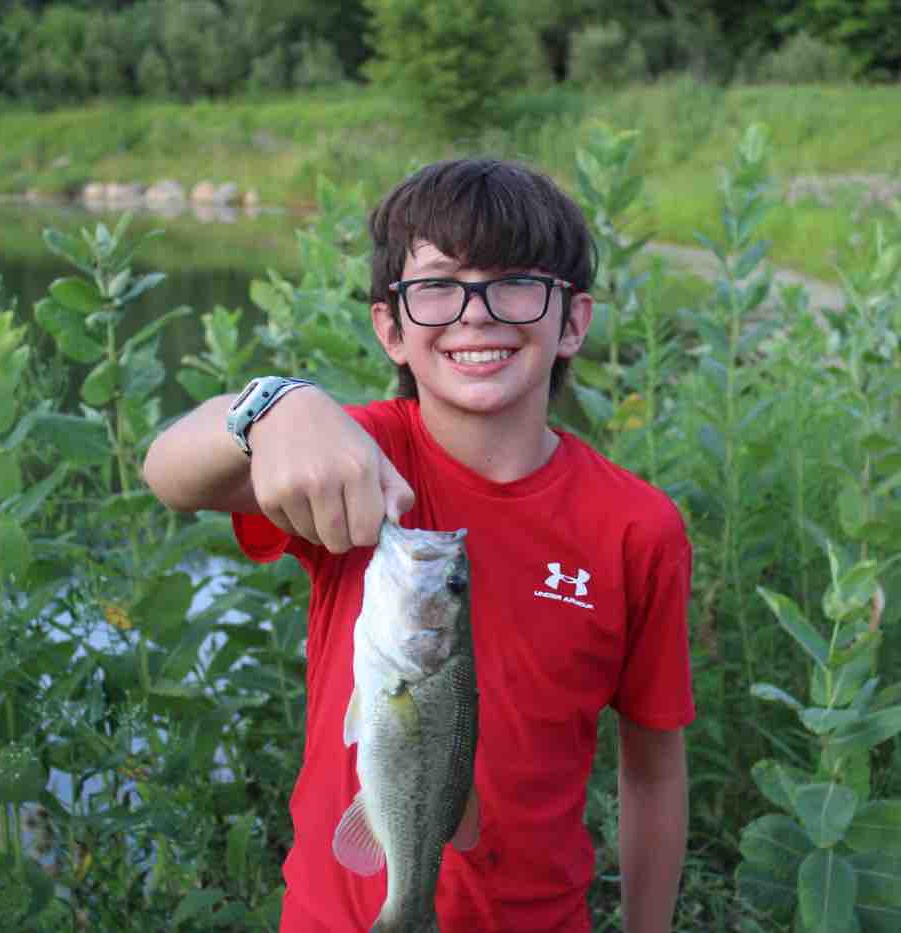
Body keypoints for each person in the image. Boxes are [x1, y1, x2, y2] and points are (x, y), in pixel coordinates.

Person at [142, 158, 694, 932]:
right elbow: (168, 471)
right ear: (391, 328)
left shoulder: (638, 527)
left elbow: (655, 770)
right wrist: (271, 407)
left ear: (572, 320)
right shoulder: (356, 457)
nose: (475, 313)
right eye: (437, 285)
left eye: (515, 282)